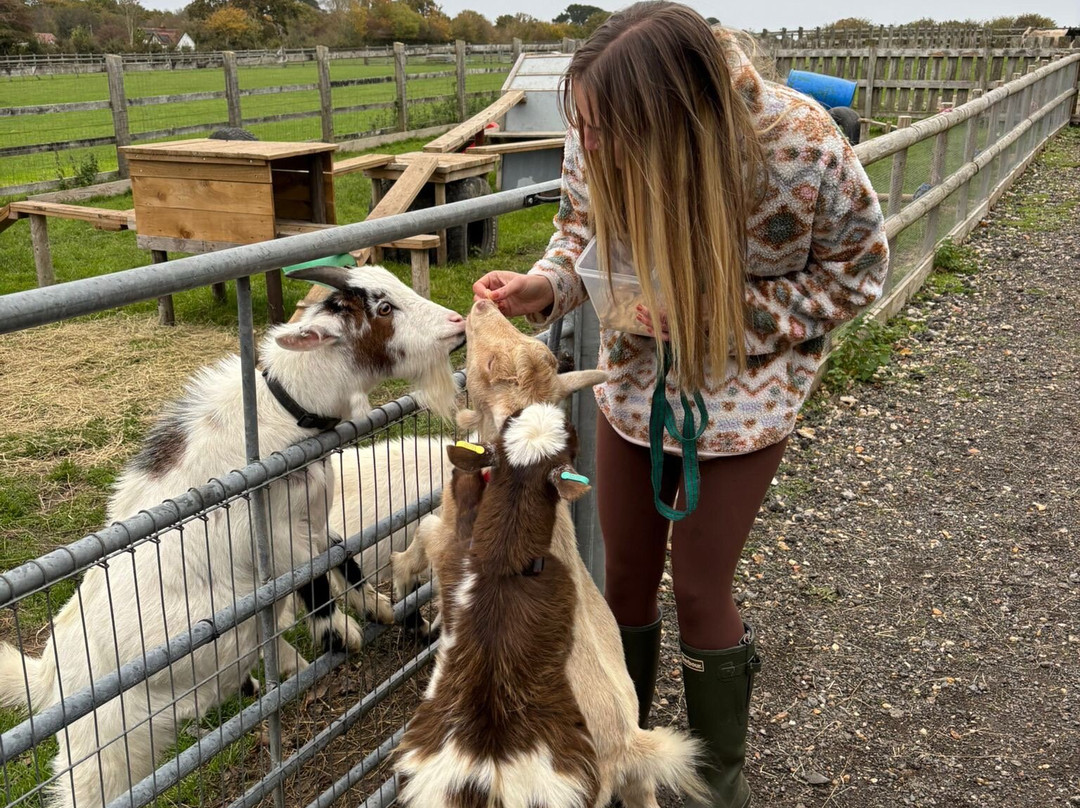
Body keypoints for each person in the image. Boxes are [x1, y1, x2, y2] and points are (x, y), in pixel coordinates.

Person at [473, 3, 889, 806]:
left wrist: (724, 314)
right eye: (580, 127)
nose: (586, 146)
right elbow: (578, 232)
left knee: (700, 589)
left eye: (601, 131)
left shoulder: (799, 144)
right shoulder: (598, 129)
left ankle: (711, 787)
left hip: (745, 399)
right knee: (622, 579)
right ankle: (620, 765)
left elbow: (858, 271)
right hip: (635, 384)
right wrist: (545, 286)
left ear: (673, 112)